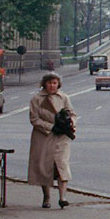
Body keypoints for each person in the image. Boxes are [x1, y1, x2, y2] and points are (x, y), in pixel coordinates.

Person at [28, 73, 74, 209]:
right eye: (49, 83)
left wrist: (69, 124)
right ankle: (46, 197)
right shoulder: (36, 99)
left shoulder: (64, 97)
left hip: (62, 137)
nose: (52, 86)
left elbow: (72, 114)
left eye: (54, 83)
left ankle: (63, 197)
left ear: (58, 84)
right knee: (45, 166)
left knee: (62, 165)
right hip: (43, 136)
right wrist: (51, 127)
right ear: (44, 84)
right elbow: (34, 119)